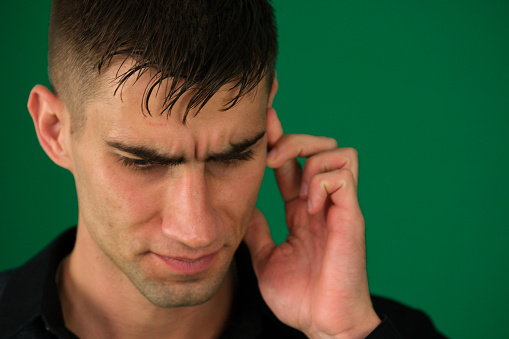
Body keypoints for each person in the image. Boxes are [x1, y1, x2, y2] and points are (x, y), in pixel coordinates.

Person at [0, 1, 446, 338]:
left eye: (232, 156)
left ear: (268, 113)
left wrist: (345, 335)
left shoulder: (369, 329)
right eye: (143, 162)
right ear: (54, 129)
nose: (195, 230)